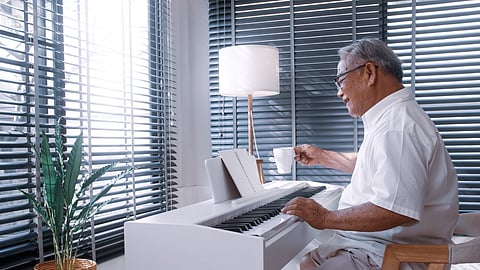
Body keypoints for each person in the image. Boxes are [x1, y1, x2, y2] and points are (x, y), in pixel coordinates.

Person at [281, 38, 459, 270]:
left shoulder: (397, 127)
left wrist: (325, 218)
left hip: (388, 256)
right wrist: (322, 156)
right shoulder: (395, 118)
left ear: (369, 72)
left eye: (340, 80)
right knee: (306, 260)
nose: (339, 93)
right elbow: (381, 168)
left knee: (301, 261)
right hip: (378, 246)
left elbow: (394, 209)